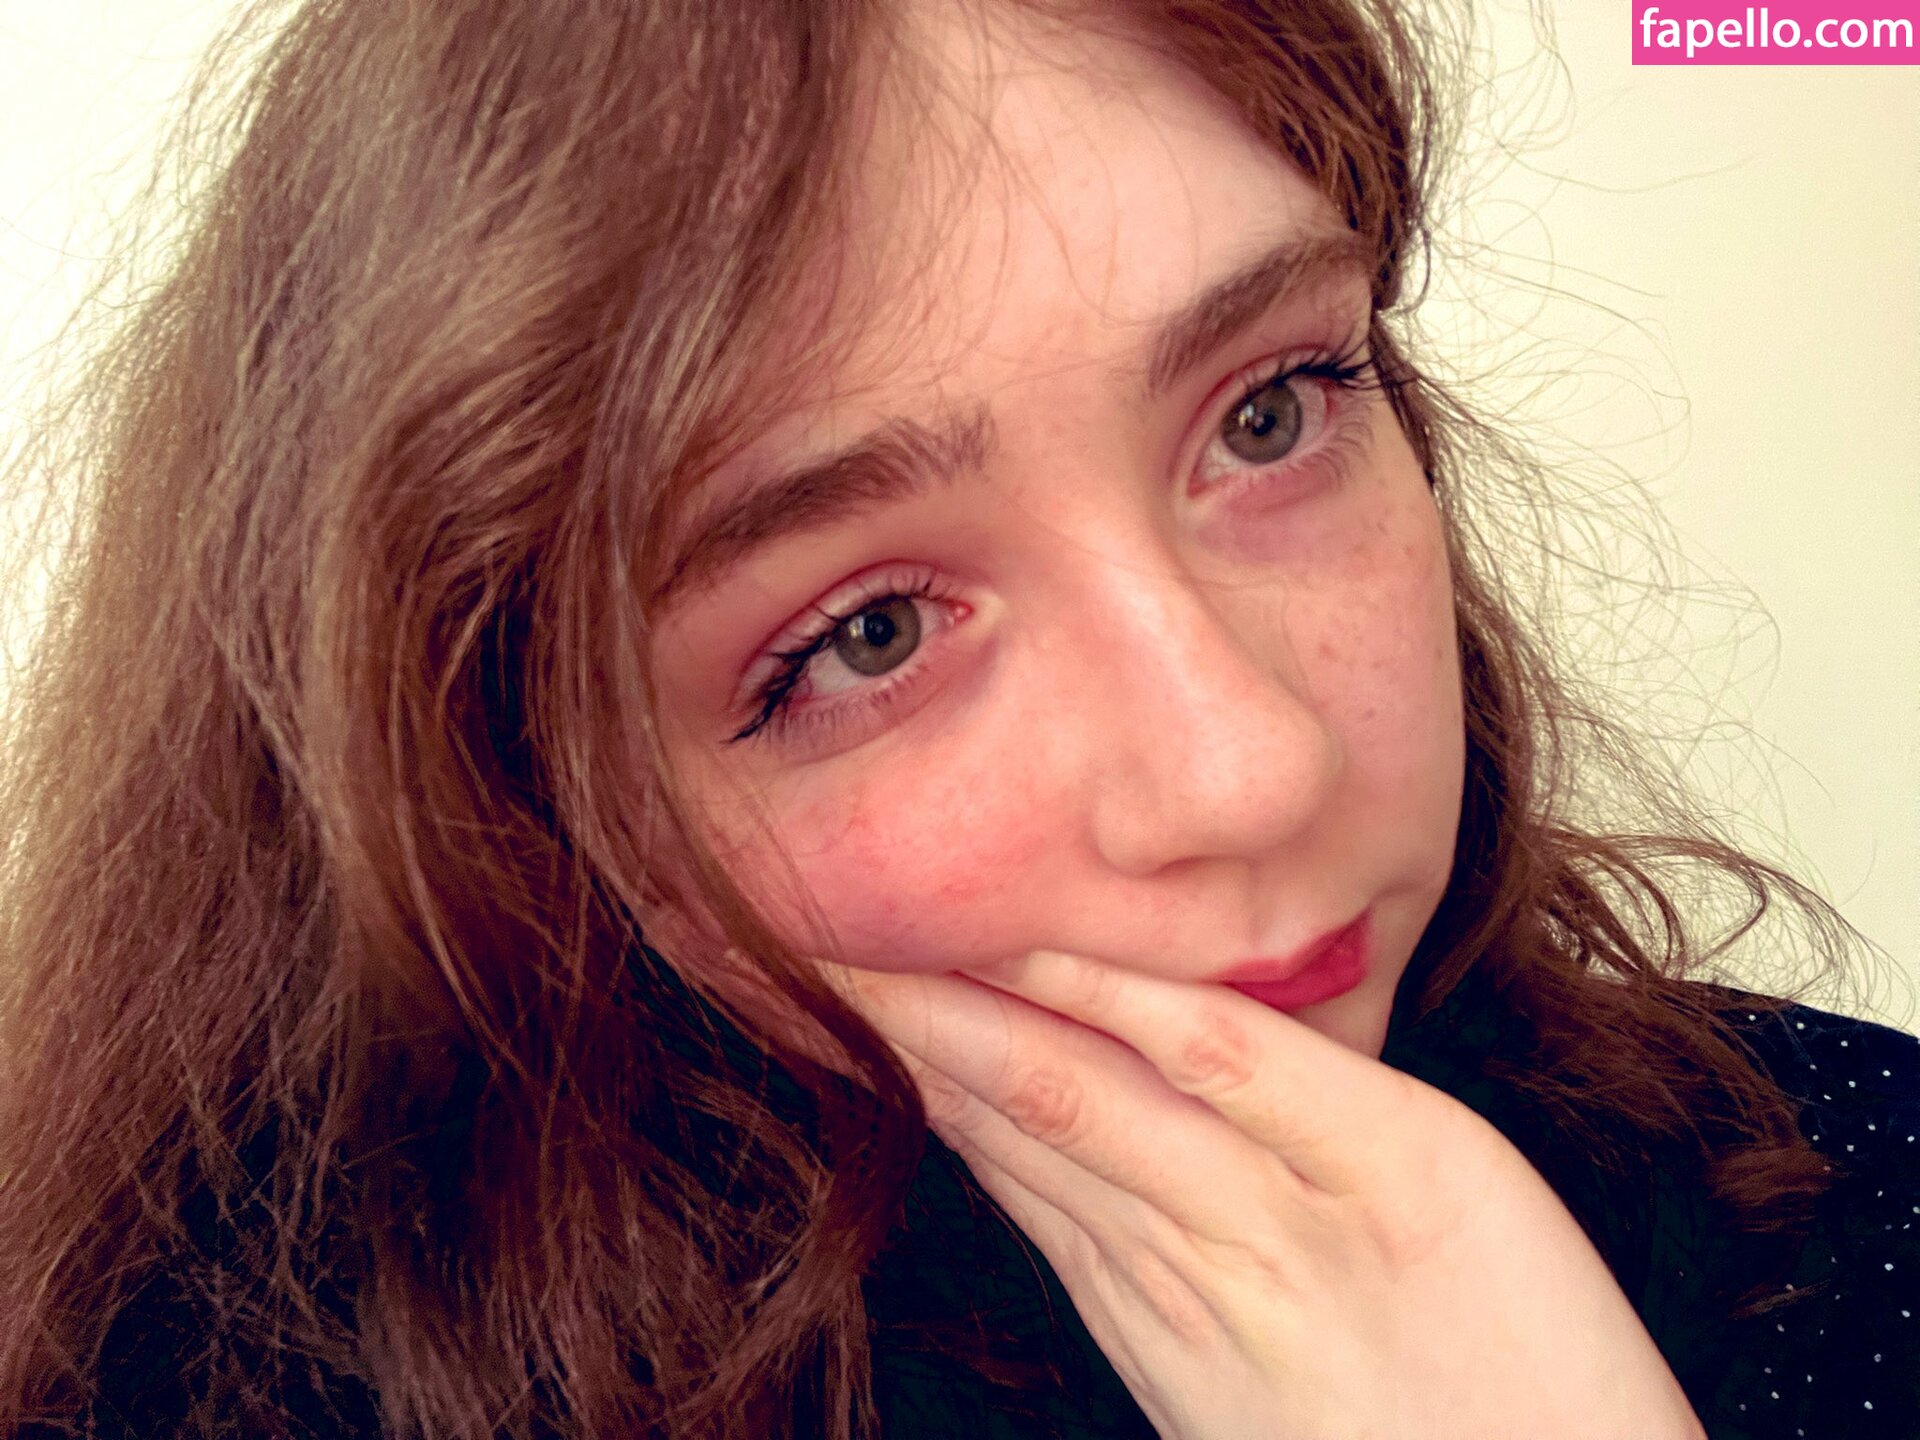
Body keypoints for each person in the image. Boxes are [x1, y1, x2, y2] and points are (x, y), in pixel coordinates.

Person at [0, 1, 1912, 1437]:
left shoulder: (1858, 1178)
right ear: (520, 802)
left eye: (1270, 414)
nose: (1255, 768)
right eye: (868, 634)